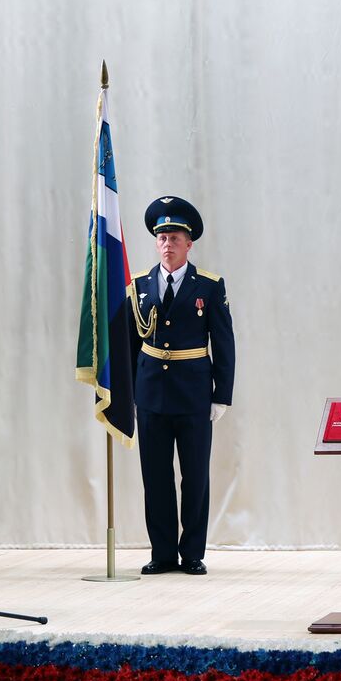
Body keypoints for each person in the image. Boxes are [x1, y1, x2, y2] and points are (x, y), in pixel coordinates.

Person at [129, 196, 235, 576]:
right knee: (155, 476)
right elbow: (129, 343)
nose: (167, 244)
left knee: (195, 477)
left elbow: (224, 342)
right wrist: (127, 395)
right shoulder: (138, 285)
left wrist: (221, 395)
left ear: (189, 243)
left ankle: (191, 552)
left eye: (175, 237)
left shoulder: (208, 285)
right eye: (162, 237)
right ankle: (162, 553)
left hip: (193, 394)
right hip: (151, 393)